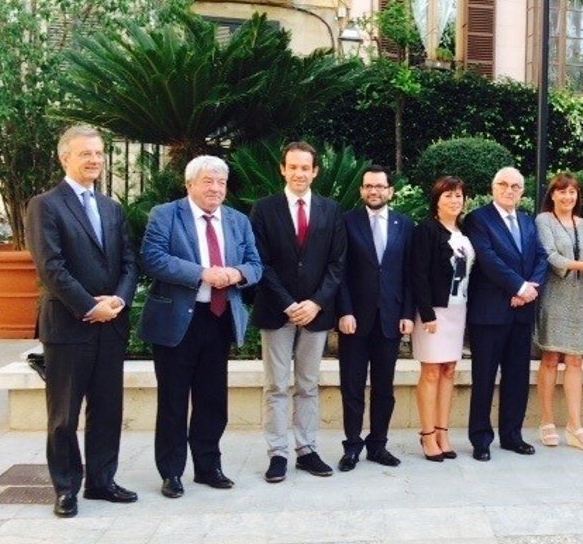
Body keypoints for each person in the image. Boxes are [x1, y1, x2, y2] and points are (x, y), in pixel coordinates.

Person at [26, 124, 139, 518]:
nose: (94, 160)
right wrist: (90, 306)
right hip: (68, 327)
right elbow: (51, 267)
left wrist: (119, 300)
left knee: (107, 411)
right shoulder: (45, 205)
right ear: (65, 158)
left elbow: (129, 261)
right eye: (85, 153)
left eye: (98, 153)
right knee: (64, 416)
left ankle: (102, 482)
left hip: (111, 326)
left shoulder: (111, 208)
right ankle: (66, 488)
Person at [139, 155, 262, 498]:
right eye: (208, 181)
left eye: (221, 182)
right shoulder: (166, 214)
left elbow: (255, 264)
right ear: (189, 184)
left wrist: (237, 273)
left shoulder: (237, 220)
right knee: (173, 399)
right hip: (177, 321)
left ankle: (208, 467)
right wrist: (201, 273)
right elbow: (153, 258)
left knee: (212, 400)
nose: (216, 188)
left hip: (219, 319)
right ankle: (171, 472)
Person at [249, 142, 347, 483]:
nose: (299, 173)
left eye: (305, 167)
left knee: (308, 384)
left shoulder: (331, 210)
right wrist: (288, 304)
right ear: (282, 169)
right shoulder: (264, 209)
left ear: (315, 171)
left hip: (316, 312)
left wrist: (316, 303)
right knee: (276, 385)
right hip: (277, 310)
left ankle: (306, 450)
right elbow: (260, 261)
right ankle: (278, 453)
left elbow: (337, 263)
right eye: (293, 167)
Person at [463, 166, 549, 461]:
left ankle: (512, 436)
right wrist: (519, 286)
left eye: (515, 186)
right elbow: (488, 259)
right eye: (503, 184)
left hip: (521, 313)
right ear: (493, 187)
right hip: (489, 313)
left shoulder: (527, 220)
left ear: (522, 191)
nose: (509, 190)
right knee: (484, 378)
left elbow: (541, 256)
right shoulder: (478, 219)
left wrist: (530, 288)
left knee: (517, 378)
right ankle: (481, 440)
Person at [336, 165, 415, 471]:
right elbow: (339, 271)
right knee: (352, 387)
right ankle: (352, 446)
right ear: (361, 190)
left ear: (390, 191)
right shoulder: (346, 221)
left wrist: (407, 313)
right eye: (368, 186)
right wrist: (344, 310)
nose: (374, 191)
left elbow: (409, 273)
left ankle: (378, 445)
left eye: (380, 186)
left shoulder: (404, 224)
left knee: (384, 388)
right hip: (354, 320)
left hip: (390, 319)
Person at [534, 173, 583, 451]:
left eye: (572, 192)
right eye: (562, 191)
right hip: (553, 296)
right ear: (552, 195)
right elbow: (550, 256)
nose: (567, 197)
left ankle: (575, 427)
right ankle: (546, 421)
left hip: (578, 298)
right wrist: (582, 265)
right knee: (551, 358)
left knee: (576, 361)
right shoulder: (544, 220)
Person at [409, 176, 474, 461]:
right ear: (436, 200)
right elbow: (418, 273)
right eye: (448, 195)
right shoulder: (426, 230)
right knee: (432, 371)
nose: (454, 200)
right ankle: (427, 435)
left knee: (449, 370)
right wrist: (426, 313)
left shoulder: (464, 231)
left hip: (458, 309)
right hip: (434, 311)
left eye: (458, 195)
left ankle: (442, 431)